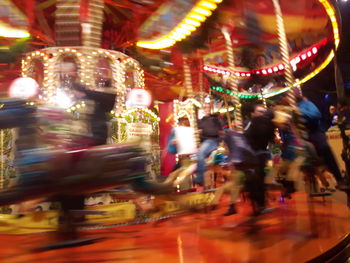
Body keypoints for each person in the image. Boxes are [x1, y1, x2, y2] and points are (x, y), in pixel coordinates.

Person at [244, 104, 275, 214]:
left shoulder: (263, 123)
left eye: (263, 111)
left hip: (260, 152)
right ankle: (260, 203)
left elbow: (271, 139)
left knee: (263, 174)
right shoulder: (252, 123)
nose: (262, 114)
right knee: (260, 177)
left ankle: (259, 199)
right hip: (254, 153)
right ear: (253, 113)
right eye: (259, 111)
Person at [195, 103, 225, 186]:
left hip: (212, 141)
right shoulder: (201, 121)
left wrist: (202, 132)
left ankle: (200, 178)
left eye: (208, 107)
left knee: (200, 153)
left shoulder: (215, 119)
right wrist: (198, 134)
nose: (206, 109)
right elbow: (200, 134)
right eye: (205, 107)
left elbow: (214, 132)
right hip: (204, 142)